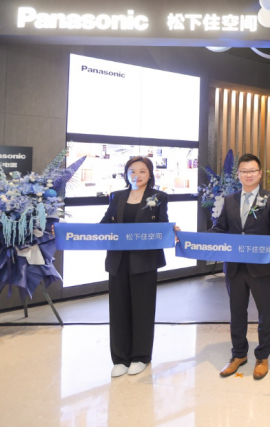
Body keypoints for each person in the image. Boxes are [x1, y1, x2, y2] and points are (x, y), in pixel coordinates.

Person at [209, 154, 270, 380]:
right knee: (236, 312)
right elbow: (220, 227)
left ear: (260, 173)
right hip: (234, 267)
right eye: (244, 171)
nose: (248, 174)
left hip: (261, 266)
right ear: (238, 174)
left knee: (265, 312)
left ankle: (262, 356)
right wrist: (196, 239)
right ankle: (238, 354)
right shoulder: (229, 199)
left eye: (252, 170)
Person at [100, 156, 170, 378]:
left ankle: (140, 357)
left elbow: (162, 225)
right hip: (118, 260)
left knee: (143, 309)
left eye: (142, 171)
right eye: (132, 171)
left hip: (144, 260)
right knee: (118, 309)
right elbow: (104, 224)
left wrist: (171, 230)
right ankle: (120, 359)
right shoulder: (117, 196)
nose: (136, 175)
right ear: (126, 174)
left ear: (150, 174)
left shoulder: (158, 197)